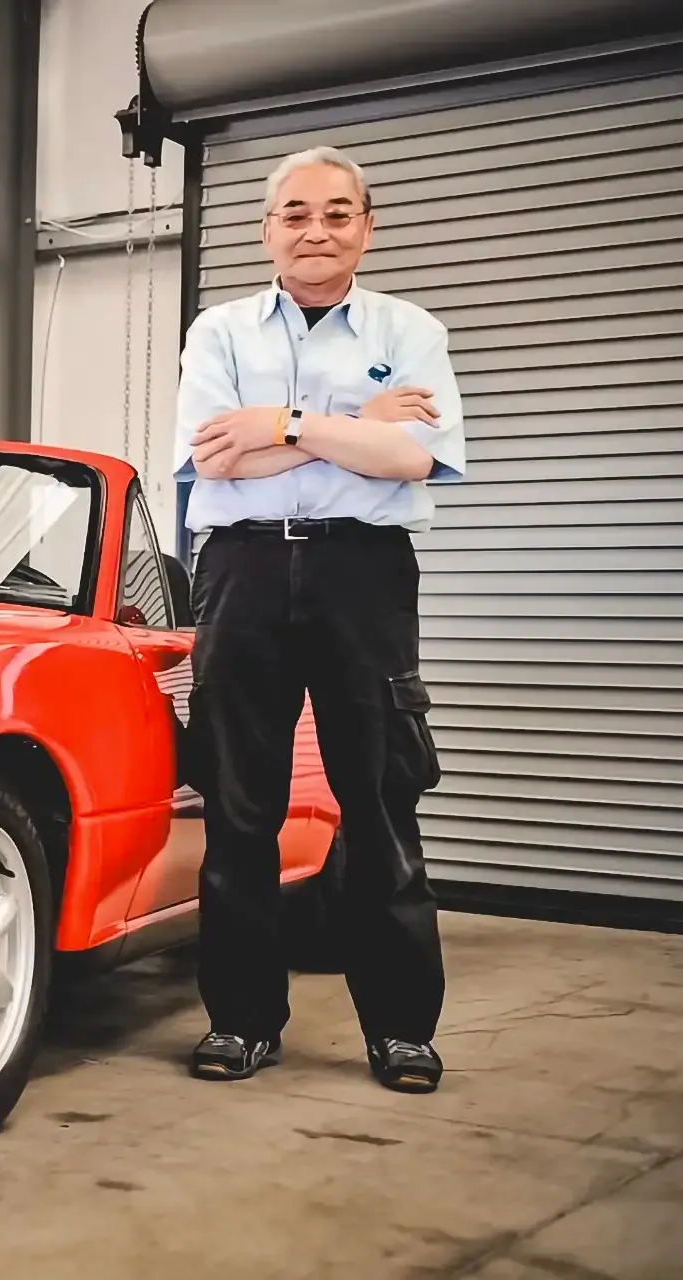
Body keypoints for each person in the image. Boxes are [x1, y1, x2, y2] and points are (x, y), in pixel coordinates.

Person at [169, 145, 466, 1093]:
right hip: (242, 569)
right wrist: (355, 426)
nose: (316, 230)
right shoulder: (219, 332)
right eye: (295, 213)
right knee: (239, 806)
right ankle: (242, 1022)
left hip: (362, 573)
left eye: (338, 213)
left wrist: (284, 425)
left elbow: (413, 459)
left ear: (366, 228)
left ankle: (402, 1032)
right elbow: (214, 461)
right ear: (267, 230)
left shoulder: (411, 329)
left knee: (379, 801)